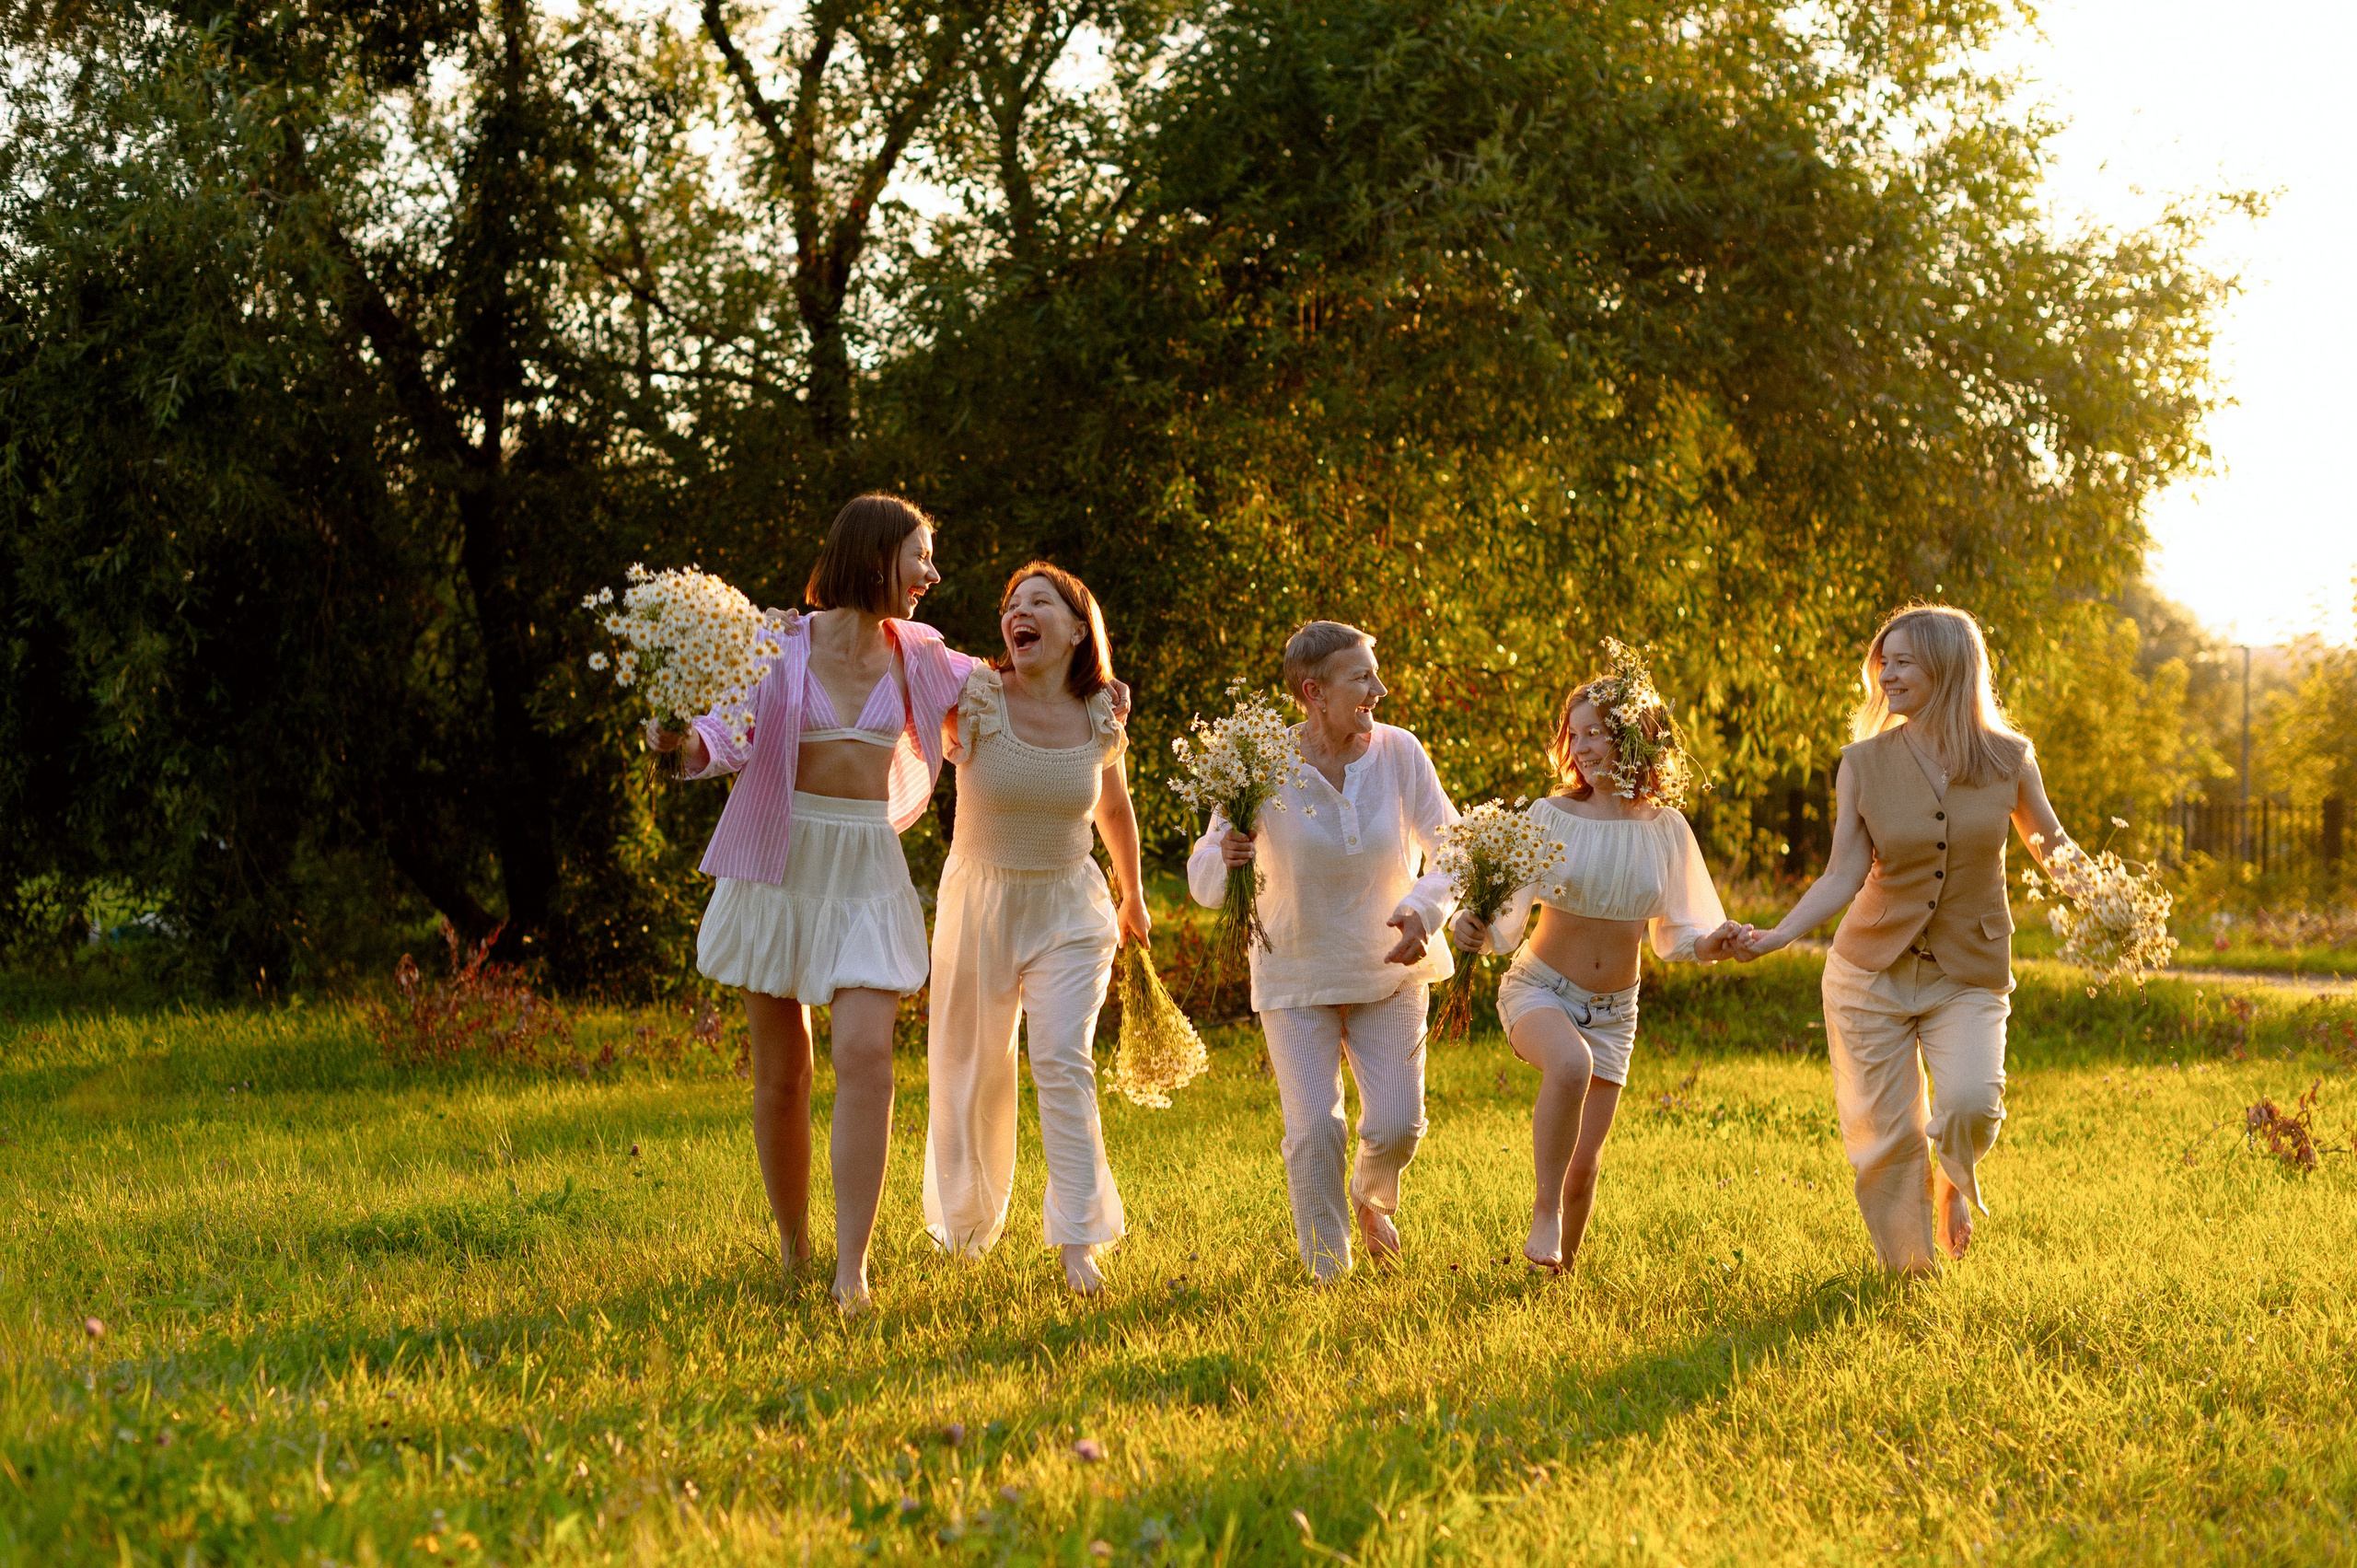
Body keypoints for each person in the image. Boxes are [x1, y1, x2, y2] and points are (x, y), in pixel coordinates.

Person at [649, 494, 973, 1313]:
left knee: (865, 1053)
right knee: (782, 1070)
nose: (931, 574)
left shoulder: (920, 654)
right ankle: (795, 1246)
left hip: (866, 864)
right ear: (874, 554)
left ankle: (850, 1269)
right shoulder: (780, 643)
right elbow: (722, 738)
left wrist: (1091, 693)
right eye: (921, 556)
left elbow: (1009, 692)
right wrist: (673, 739)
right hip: (780, 862)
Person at [1736, 603, 2075, 1275]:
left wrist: (2109, 903)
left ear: (1947, 668)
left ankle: (1952, 1179)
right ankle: (1911, 1277)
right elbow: (1842, 874)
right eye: (1882, 661)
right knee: (1885, 1140)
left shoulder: (2008, 758)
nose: (1885, 674)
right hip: (1870, 971)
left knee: (1972, 1105)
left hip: (1968, 970)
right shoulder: (1862, 763)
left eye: (1902, 661)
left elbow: (2052, 845)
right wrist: (1777, 935)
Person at [1448, 654, 1749, 1272]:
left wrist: (1717, 942)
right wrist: (1470, 926)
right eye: (1574, 733)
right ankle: (1542, 1209)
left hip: (1616, 1011)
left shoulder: (1666, 828)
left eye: (1596, 732)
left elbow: (1680, 930)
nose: (1581, 746)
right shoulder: (1552, 815)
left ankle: (1557, 1276)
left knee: (1584, 1168)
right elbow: (1503, 914)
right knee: (1568, 1063)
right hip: (1541, 989)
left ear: (1635, 736)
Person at [1187, 621, 1457, 1282]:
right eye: (1362, 677)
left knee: (1397, 1124)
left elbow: (1454, 845)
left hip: (1390, 963)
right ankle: (1328, 1272)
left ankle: (1370, 1196)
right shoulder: (1258, 762)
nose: (1380, 688)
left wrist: (1426, 911)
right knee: (1314, 1131)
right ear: (1314, 692)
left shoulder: (1399, 753)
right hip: (1296, 967)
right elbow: (1203, 879)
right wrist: (1224, 855)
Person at [922, 563, 1150, 1295]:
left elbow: (1112, 811)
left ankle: (1079, 1238)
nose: (1018, 614)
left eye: (1038, 603)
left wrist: (1133, 895)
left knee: (1061, 1059)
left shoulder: (1099, 715)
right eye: (1010, 607)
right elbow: (906, 664)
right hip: (979, 903)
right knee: (971, 1064)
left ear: (1079, 629)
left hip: (1071, 909)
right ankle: (965, 1230)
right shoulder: (976, 696)